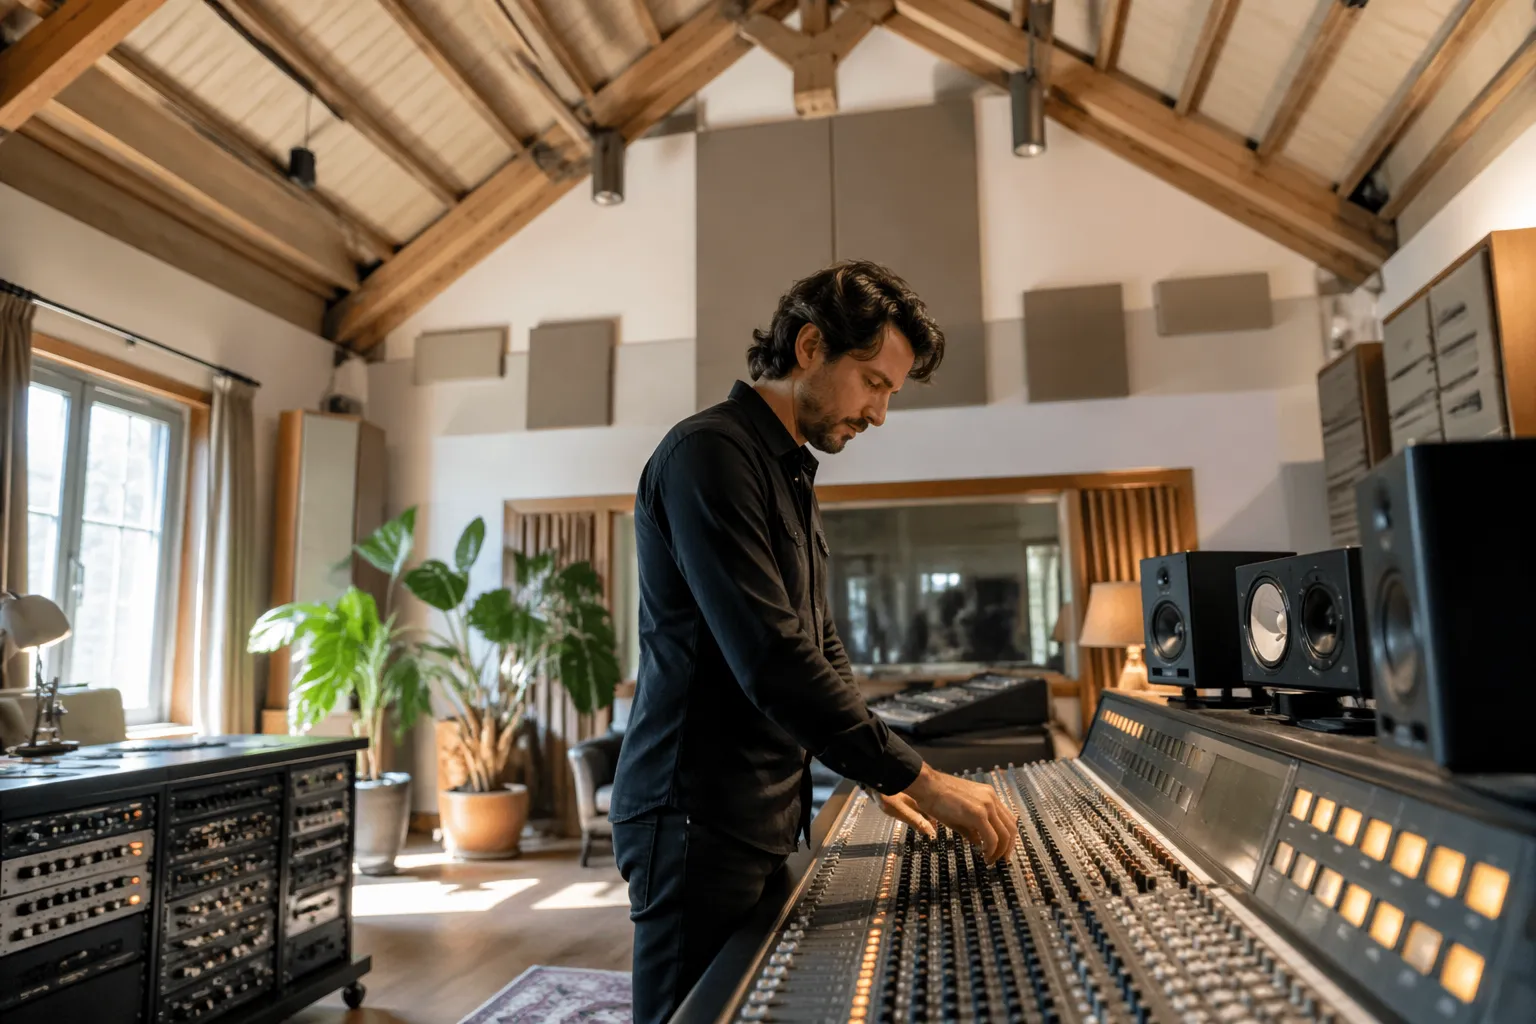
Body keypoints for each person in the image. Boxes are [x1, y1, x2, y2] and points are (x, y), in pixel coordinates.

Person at [608, 261, 1018, 1024]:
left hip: (761, 811)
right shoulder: (709, 455)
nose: (881, 413)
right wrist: (919, 777)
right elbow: (769, 657)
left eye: (890, 391)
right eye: (873, 382)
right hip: (693, 814)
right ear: (808, 347)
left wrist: (881, 776)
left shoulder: (789, 470)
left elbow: (818, 644)